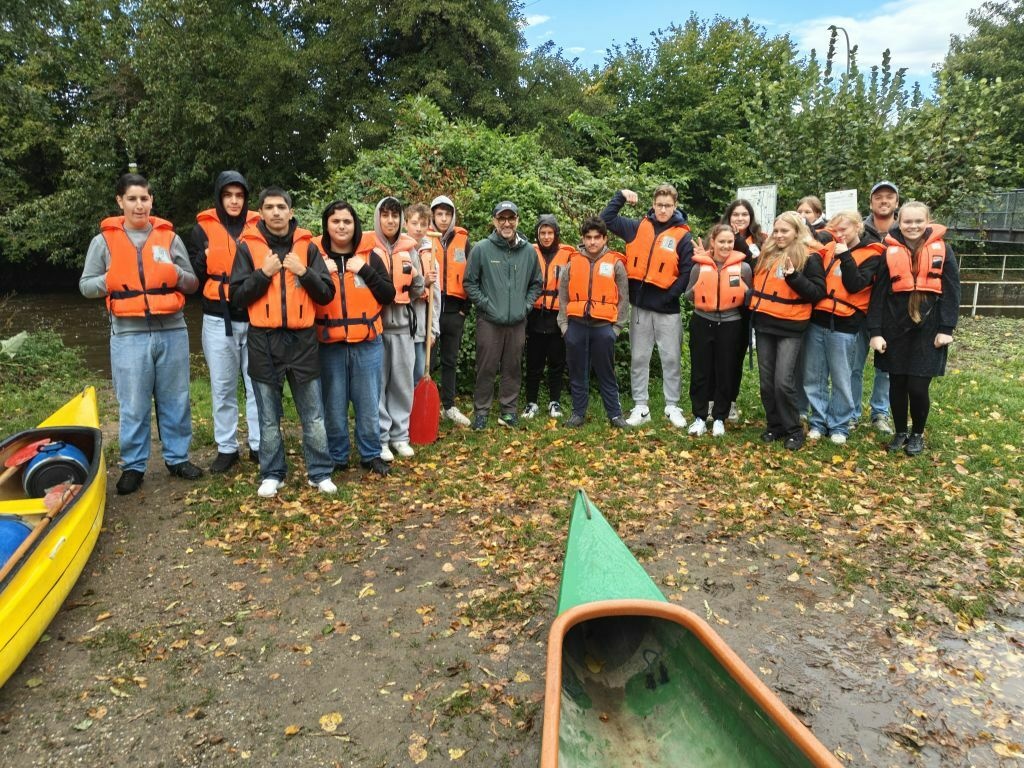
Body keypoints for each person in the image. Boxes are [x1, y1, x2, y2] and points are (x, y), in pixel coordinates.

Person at [79, 172, 204, 495]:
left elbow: (192, 283)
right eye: (132, 199)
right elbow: (85, 286)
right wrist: (112, 278)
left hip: (172, 330)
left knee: (175, 399)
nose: (139, 205)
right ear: (120, 202)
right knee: (133, 404)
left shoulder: (169, 239)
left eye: (144, 198)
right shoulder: (103, 242)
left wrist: (174, 272)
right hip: (128, 335)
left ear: (152, 201)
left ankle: (177, 458)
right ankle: (133, 466)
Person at [229, 187, 336, 497]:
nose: (276, 212)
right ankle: (272, 473)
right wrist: (263, 274)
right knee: (267, 414)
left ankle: (319, 472)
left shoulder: (308, 247)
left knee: (313, 413)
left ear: (291, 212)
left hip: (302, 339)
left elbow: (326, 294)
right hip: (263, 339)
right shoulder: (247, 248)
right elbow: (236, 298)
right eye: (269, 207)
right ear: (260, 213)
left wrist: (304, 273)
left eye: (281, 207)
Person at [867, 201, 960, 456]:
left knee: (918, 387)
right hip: (894, 328)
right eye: (908, 221)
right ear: (899, 221)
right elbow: (877, 295)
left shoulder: (944, 250)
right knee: (896, 384)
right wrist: (875, 332)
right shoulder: (889, 251)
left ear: (928, 221)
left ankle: (917, 433)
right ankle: (899, 432)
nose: (913, 226)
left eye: (919, 221)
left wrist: (947, 328)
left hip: (929, 329)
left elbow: (952, 292)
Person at [600, 184, 694, 428]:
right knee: (639, 358)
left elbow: (686, 272)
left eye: (668, 206)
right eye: (659, 205)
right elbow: (606, 220)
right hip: (640, 306)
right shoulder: (637, 227)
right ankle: (641, 406)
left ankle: (672, 405)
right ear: (653, 204)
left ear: (675, 206)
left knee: (671, 358)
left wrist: (671, 296)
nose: (663, 210)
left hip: (667, 308)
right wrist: (619, 196)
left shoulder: (683, 235)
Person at [314, 200, 395, 477]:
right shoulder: (315, 258)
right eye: (335, 221)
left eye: (347, 222)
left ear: (355, 225)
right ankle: (338, 456)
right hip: (330, 343)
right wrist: (317, 273)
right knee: (334, 404)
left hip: (367, 342)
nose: (341, 226)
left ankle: (370, 453)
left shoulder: (370, 257)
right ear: (327, 225)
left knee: (369, 403)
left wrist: (363, 269)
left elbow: (388, 294)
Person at [188, 170, 261, 474]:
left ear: (245, 198)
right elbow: (192, 276)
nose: (234, 201)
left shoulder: (260, 227)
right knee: (222, 386)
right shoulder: (200, 231)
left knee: (256, 385)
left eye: (239, 195)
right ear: (219, 198)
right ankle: (227, 447)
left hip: (255, 314)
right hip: (219, 317)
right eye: (228, 195)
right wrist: (203, 260)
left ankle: (259, 444)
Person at [802, 211, 885, 444]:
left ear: (857, 228)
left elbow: (855, 284)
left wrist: (846, 256)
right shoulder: (825, 251)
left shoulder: (873, 255)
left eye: (844, 230)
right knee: (814, 376)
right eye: (835, 230)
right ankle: (818, 422)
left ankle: (839, 425)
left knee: (842, 378)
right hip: (818, 320)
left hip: (846, 324)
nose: (838, 235)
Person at [747, 211, 826, 450]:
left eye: (785, 231)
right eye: (777, 230)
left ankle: (793, 429)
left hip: (791, 326)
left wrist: (794, 277)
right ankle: (775, 425)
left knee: (783, 381)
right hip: (764, 324)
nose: (780, 235)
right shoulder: (766, 254)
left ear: (796, 232)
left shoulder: (810, 257)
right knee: (766, 382)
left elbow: (816, 293)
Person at [463, 201, 543, 429]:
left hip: (517, 321)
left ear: (517, 220)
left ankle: (508, 411)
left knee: (512, 367)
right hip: (489, 320)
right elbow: (470, 282)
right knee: (486, 367)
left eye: (511, 218)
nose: (507, 223)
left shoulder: (528, 251)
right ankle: (482, 411)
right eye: (502, 218)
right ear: (494, 221)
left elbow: (536, 283)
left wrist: (525, 306)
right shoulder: (482, 249)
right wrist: (486, 305)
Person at [556, 217, 630, 428]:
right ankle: (578, 414)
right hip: (576, 326)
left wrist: (616, 328)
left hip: (603, 328)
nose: (592, 242)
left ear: (605, 238)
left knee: (606, 373)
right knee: (578, 372)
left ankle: (615, 415)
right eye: (588, 237)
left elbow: (624, 298)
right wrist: (564, 326)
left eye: (597, 237)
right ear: (583, 238)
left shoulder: (615, 264)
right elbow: (563, 296)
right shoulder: (572, 263)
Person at [683, 225, 752, 437]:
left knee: (726, 371)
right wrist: (699, 290)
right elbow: (687, 296)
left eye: (730, 242)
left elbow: (748, 299)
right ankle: (699, 417)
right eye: (721, 241)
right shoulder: (699, 267)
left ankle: (720, 417)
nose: (726, 246)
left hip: (731, 324)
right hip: (703, 322)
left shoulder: (744, 268)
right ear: (712, 241)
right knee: (701, 371)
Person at [371, 197, 424, 461]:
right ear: (378, 218)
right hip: (377, 329)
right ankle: (381, 438)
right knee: (378, 385)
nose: (391, 220)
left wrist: (415, 276)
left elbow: (418, 290)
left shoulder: (410, 249)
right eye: (386, 215)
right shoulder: (368, 248)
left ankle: (399, 436)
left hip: (403, 327)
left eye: (395, 216)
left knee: (402, 384)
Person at [856, 180, 901, 434]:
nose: (884, 201)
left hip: (892, 309)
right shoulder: (859, 229)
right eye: (878, 197)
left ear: (896, 202)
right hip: (860, 305)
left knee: (886, 365)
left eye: (889, 197)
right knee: (854, 363)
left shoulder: (905, 230)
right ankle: (851, 412)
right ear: (871, 202)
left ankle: (880, 413)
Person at [719, 198, 767, 421]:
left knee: (735, 355)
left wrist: (740, 240)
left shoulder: (760, 240)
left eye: (744, 215)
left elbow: (757, 267)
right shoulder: (719, 236)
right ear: (729, 217)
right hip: (720, 304)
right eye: (735, 214)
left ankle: (730, 401)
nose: (740, 218)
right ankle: (713, 400)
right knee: (716, 355)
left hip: (746, 306)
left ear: (751, 217)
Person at [522, 214, 573, 420]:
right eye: (542, 232)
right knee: (533, 363)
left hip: (557, 316)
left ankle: (554, 402)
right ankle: (531, 403)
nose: (546, 236)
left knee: (556, 362)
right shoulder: (529, 252)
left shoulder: (568, 254)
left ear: (556, 234)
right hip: (534, 315)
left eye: (550, 232)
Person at [430, 195, 473, 427]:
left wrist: (464, 310)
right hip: (431, 311)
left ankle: (449, 406)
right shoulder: (425, 239)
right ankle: (426, 404)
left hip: (455, 312)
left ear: (453, 215)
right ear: (433, 215)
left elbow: (473, 275)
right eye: (439, 214)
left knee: (450, 360)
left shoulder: (463, 241)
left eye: (447, 214)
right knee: (428, 362)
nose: (443, 218)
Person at [404, 203, 440, 386]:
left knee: (419, 373)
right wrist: (421, 283)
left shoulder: (431, 254)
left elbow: (435, 298)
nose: (418, 228)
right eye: (414, 223)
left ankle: (416, 414)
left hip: (421, 328)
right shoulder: (398, 252)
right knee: (402, 375)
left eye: (423, 224)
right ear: (406, 224)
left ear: (428, 227)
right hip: (401, 326)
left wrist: (433, 330)